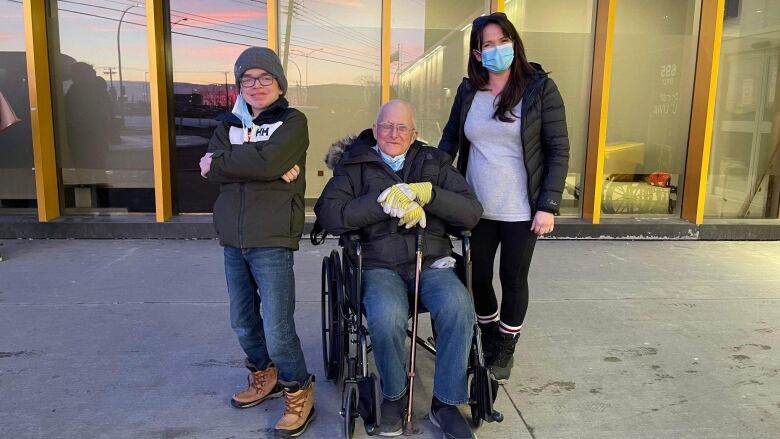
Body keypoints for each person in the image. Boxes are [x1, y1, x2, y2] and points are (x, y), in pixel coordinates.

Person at [315, 100, 483, 439]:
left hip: (431, 259)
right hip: (378, 264)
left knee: (457, 306)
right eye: (387, 127)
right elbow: (329, 214)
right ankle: (394, 395)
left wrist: (430, 195)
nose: (394, 133)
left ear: (414, 133)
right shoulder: (355, 164)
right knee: (387, 315)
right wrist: (380, 203)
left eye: (402, 127)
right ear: (375, 130)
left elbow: (471, 213)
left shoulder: (434, 161)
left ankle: (446, 403)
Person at [438, 12, 570, 383]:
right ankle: (488, 332)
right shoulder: (469, 92)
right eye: (488, 45)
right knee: (477, 278)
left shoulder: (540, 89)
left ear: (514, 43)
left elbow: (558, 150)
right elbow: (450, 140)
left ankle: (506, 345)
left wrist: (548, 205)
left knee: (512, 278)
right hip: (475, 207)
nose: (496, 49)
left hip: (521, 208)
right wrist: (427, 177)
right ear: (477, 54)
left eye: (502, 41)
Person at [198, 47, 315, 437]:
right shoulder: (227, 123)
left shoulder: (293, 122)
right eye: (247, 79)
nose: (256, 85)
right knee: (243, 321)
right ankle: (263, 375)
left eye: (265, 78)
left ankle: (298, 389)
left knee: (277, 325)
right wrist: (259, 164)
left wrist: (233, 163)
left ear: (279, 83)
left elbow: (256, 163)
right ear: (239, 85)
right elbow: (217, 168)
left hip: (272, 237)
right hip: (233, 238)